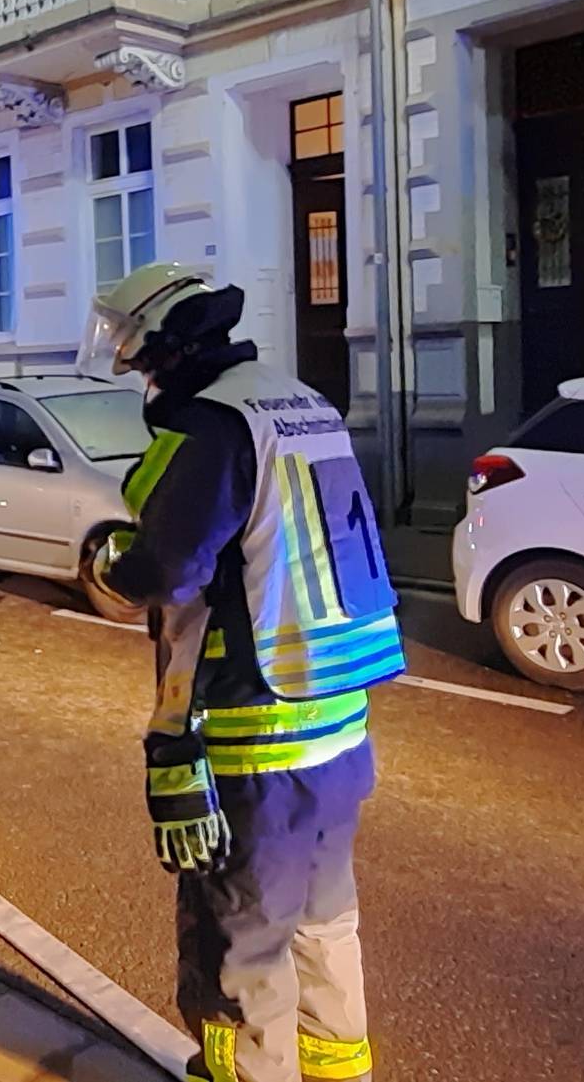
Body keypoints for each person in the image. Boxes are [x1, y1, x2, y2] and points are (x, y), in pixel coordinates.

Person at [82, 263, 404, 1082]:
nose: (140, 374)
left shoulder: (216, 426)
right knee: (327, 929)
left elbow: (167, 569)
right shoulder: (301, 403)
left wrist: (115, 565)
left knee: (240, 958)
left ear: (173, 349)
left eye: (142, 357)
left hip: (254, 742)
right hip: (338, 731)